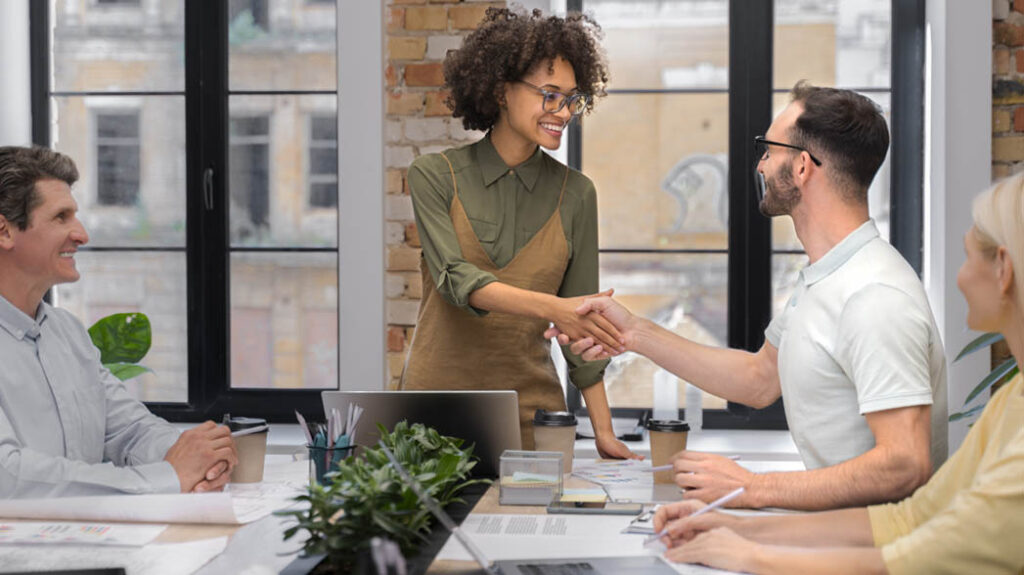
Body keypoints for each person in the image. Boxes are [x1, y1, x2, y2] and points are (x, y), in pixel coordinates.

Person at [551, 82, 948, 509]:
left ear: (801, 167)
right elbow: (760, 379)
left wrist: (753, 488)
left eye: (769, 149)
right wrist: (635, 333)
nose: (760, 165)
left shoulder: (875, 296)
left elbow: (904, 464)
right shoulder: (826, 275)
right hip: (835, 538)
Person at [650, 175, 1024, 575]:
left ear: (1002, 268)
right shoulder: (1012, 397)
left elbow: (922, 556)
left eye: (967, 257)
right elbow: (908, 520)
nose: (959, 276)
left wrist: (749, 549)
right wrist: (739, 528)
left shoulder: (876, 296)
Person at [401, 7, 636, 457]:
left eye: (572, 98)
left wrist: (604, 432)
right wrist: (555, 309)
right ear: (500, 90)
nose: (563, 111)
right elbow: (456, 279)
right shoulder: (433, 175)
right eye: (550, 95)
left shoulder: (577, 195)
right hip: (431, 416)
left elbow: (580, 327)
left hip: (534, 421)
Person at [0, 146, 237, 498]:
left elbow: (130, 430)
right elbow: (9, 476)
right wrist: (169, 475)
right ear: (4, 232)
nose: (81, 234)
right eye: (61, 217)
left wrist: (202, 457)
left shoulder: (67, 333)